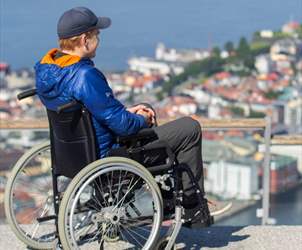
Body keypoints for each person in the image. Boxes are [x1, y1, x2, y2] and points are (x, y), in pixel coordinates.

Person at [35, 6, 213, 227]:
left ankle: (168, 196)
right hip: (108, 157)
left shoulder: (46, 71)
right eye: (96, 34)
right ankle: (191, 206)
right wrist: (143, 119)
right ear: (84, 40)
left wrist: (129, 111)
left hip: (73, 156)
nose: (99, 39)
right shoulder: (85, 76)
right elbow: (124, 127)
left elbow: (91, 113)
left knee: (145, 108)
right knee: (189, 128)